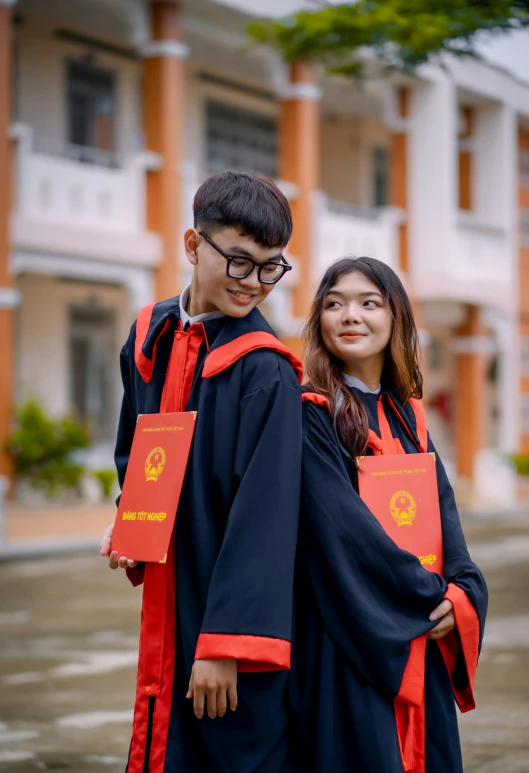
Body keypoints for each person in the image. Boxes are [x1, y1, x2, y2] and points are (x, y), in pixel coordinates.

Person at [100, 171, 303, 773]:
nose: (256, 284)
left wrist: (226, 645)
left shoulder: (265, 371)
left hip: (230, 612)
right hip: (173, 585)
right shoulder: (149, 337)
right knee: (167, 738)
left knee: (232, 746)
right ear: (193, 247)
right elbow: (135, 451)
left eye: (272, 267)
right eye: (240, 262)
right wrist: (129, 524)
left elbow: (266, 518)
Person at [289, 257, 487, 773]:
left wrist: (462, 591)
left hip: (420, 633)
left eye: (368, 303)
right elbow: (343, 533)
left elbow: (446, 522)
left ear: (395, 317)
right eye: (334, 304)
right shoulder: (310, 413)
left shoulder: (408, 415)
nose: (350, 315)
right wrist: (429, 595)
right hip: (349, 640)